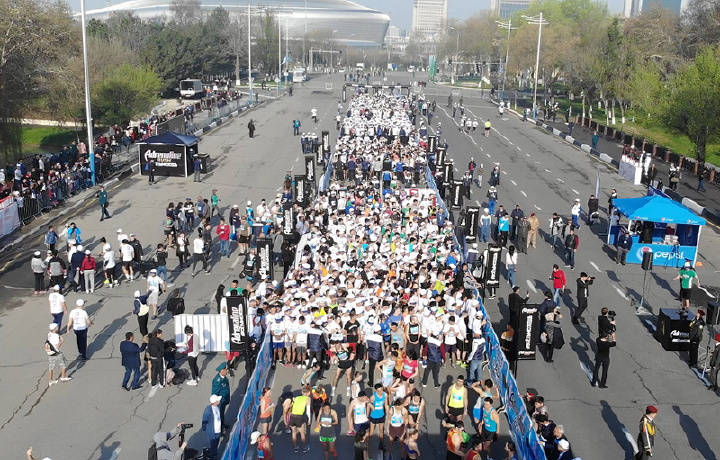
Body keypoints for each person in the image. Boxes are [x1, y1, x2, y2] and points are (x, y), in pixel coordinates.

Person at [290, 385, 312, 453]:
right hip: (299, 417)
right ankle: (305, 447)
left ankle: (295, 447)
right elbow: (308, 411)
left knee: (294, 432)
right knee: (302, 433)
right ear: (309, 393)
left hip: (292, 416)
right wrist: (309, 419)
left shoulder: (297, 398)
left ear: (302, 392)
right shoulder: (308, 399)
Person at [212, 362, 231, 427]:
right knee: (219, 415)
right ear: (222, 370)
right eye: (226, 369)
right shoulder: (218, 380)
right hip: (220, 401)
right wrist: (216, 402)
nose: (228, 370)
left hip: (224, 399)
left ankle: (222, 424)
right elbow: (214, 392)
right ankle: (220, 429)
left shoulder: (224, 378)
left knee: (222, 414)